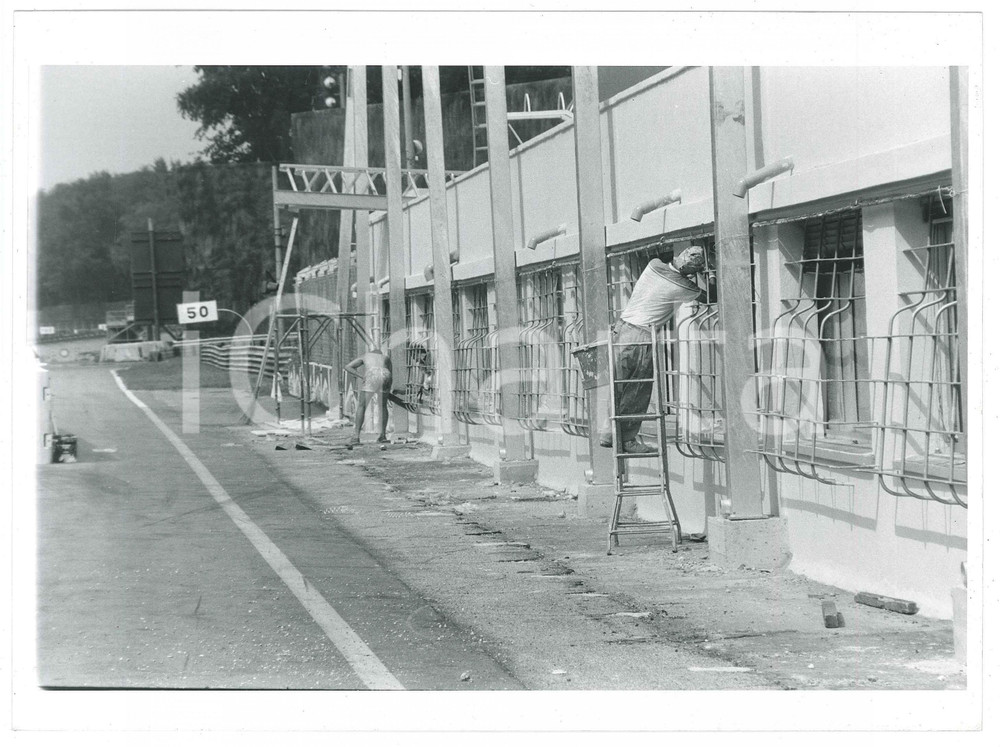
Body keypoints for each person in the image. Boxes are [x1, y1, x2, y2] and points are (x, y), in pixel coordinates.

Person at [599, 245, 709, 454]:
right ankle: (627, 440)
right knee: (638, 390)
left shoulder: (653, 265)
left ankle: (608, 433)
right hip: (640, 335)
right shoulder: (682, 285)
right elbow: (709, 295)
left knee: (618, 387)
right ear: (691, 272)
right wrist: (707, 274)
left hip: (621, 329)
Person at [344, 346, 397, 446]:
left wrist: (361, 376)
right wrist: (388, 389)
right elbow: (391, 374)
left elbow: (348, 366)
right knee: (383, 406)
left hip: (372, 373)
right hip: (386, 374)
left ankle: (356, 437)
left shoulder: (365, 356)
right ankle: (383, 436)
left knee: (362, 406)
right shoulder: (386, 358)